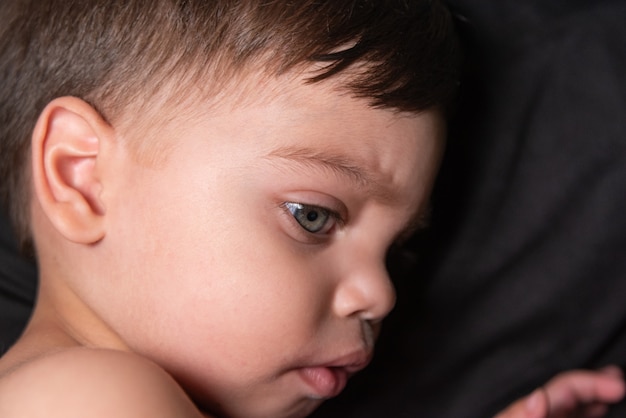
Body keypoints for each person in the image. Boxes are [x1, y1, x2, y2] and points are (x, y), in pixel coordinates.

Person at [0, 1, 623, 417]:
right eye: (312, 216)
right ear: (80, 176)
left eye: (396, 248)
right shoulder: (88, 396)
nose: (379, 295)